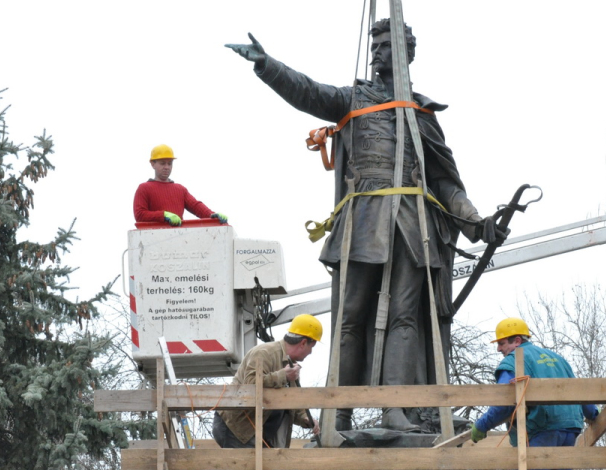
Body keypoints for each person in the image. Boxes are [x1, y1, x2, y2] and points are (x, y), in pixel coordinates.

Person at [226, 19, 505, 432]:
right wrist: (268, 65)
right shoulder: (354, 99)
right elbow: (307, 91)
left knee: (405, 317)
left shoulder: (422, 115)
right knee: (351, 316)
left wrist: (476, 223)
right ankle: (339, 412)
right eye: (373, 44)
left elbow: (446, 182)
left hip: (412, 227)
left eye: (385, 44)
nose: (376, 51)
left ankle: (396, 408)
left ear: (406, 52)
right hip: (363, 223)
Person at [471, 318, 598, 457]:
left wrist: (481, 426)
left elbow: (504, 401)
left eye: (502, 343)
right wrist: (593, 414)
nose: (498, 349)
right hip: (571, 428)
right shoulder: (557, 358)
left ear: (517, 341)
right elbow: (577, 390)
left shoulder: (513, 360)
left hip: (542, 428)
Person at [213, 314, 322, 448]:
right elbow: (251, 384)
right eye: (312, 347)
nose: (310, 352)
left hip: (257, 431)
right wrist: (283, 376)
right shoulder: (264, 353)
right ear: (303, 342)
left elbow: (291, 400)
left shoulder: (291, 368)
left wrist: (305, 418)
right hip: (236, 427)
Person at [133, 144, 228, 226]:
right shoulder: (144, 188)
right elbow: (140, 215)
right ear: (152, 164)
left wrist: (211, 215)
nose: (166, 167)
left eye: (169, 163)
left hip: (178, 240)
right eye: (162, 163)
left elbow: (195, 206)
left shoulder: (180, 189)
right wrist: (163, 215)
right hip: (152, 240)